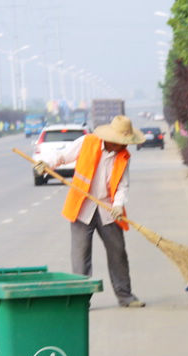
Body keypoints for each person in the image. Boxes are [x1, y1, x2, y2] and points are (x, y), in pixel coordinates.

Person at [53, 115, 146, 308]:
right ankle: (81, 299)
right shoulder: (88, 142)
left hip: (108, 210)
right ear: (111, 138)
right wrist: (47, 164)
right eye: (121, 141)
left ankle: (125, 296)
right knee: (80, 256)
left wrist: (118, 205)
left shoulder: (123, 156)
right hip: (82, 207)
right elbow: (64, 156)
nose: (123, 145)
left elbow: (122, 185)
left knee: (118, 252)